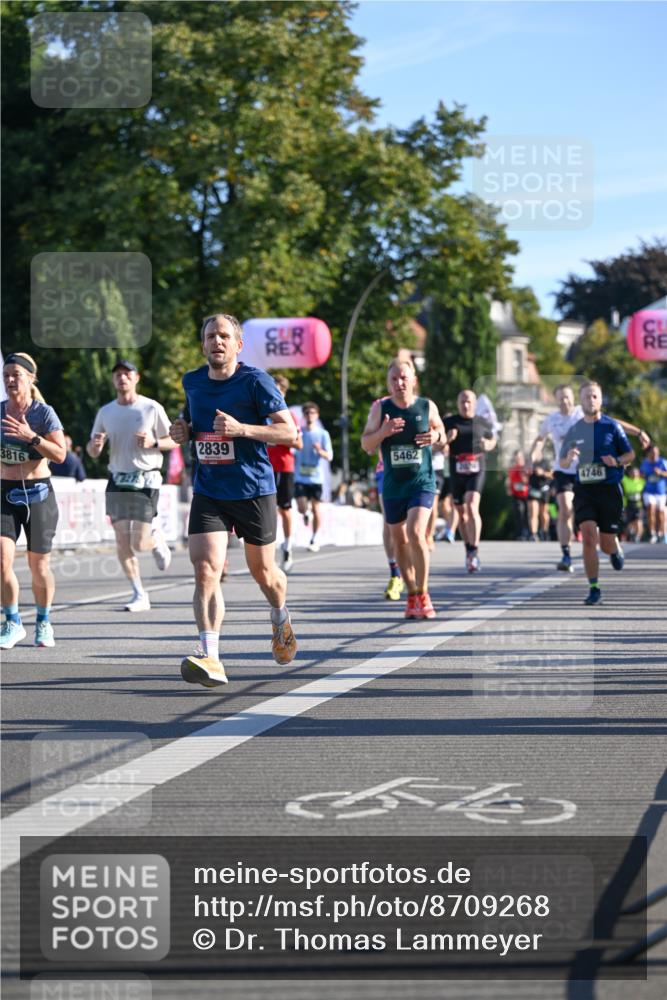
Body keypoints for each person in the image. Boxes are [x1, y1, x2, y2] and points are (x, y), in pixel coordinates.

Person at [170, 312, 298, 688]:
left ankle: (279, 615)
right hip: (210, 489)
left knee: (265, 575)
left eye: (224, 336)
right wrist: (184, 431)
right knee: (206, 568)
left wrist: (242, 429)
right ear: (203, 343)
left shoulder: (256, 381)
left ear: (238, 345)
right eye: (210, 336)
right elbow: (193, 423)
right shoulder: (192, 381)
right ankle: (210, 656)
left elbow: (288, 432)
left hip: (253, 488)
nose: (217, 342)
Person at [529, 384, 650, 572]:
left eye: (567, 397)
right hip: (564, 469)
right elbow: (540, 439)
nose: (564, 401)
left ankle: (612, 542)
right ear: (556, 400)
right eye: (560, 398)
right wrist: (532, 456)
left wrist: (638, 432)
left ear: (573, 399)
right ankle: (567, 553)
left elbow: (614, 423)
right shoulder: (551, 420)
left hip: (588, 473)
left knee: (603, 531)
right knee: (565, 508)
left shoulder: (582, 412)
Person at [87, 360, 176, 612]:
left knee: (139, 543)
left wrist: (154, 442)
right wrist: (96, 446)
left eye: (126, 374)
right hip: (117, 478)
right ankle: (139, 593)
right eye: (117, 374)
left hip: (146, 478)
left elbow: (174, 441)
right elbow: (94, 451)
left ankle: (156, 539)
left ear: (136, 378)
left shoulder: (150, 408)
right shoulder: (105, 412)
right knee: (121, 541)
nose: (122, 378)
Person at [361, 357, 444, 619]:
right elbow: (366, 444)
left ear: (414, 380)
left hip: (422, 481)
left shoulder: (426, 406)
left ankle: (424, 592)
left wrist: (436, 436)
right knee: (399, 540)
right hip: (394, 483)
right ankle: (412, 595)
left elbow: (441, 429)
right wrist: (383, 432)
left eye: (404, 378)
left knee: (416, 532)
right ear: (388, 383)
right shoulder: (381, 409)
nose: (399, 383)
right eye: (394, 379)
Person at [1, 352, 66, 648]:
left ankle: (43, 621)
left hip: (38, 494)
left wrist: (31, 437)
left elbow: (61, 454)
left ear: (30, 378)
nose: (11, 380)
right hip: (4, 493)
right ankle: (12, 622)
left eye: (17, 374)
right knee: (2, 562)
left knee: (38, 566)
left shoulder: (43, 413)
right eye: (6, 375)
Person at [561, 381, 635, 606]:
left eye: (594, 396)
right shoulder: (574, 430)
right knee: (588, 538)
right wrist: (569, 457)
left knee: (605, 543)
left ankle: (614, 549)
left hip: (609, 490)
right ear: (579, 401)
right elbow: (563, 463)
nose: (590, 401)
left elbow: (630, 455)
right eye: (586, 397)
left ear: (600, 400)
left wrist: (617, 461)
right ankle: (594, 588)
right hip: (584, 489)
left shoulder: (612, 427)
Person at [444, 389, 497, 573]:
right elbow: (437, 446)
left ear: (474, 403)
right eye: (462, 401)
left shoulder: (482, 422)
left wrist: (488, 445)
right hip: (456, 469)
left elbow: (493, 440)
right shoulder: (449, 423)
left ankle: (474, 551)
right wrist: (446, 441)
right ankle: (469, 549)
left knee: (472, 504)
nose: (465, 405)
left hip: (476, 467)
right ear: (458, 403)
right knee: (461, 513)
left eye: (469, 401)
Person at [267, 375, 302, 573]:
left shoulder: (289, 415)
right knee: (267, 511)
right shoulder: (262, 413)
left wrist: (277, 436)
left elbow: (298, 443)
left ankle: (287, 546)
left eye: (278, 391)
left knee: (285, 509)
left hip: (284, 467)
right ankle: (269, 551)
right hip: (264, 468)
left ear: (284, 393)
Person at [294, 402, 333, 553]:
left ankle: (315, 538)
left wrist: (319, 450)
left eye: (312, 413)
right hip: (300, 477)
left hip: (316, 478)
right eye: (307, 413)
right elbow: (293, 451)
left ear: (317, 415)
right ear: (303, 416)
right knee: (301, 507)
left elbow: (329, 456)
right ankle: (306, 514)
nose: (310, 416)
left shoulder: (323, 434)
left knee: (317, 508)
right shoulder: (300, 433)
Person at [375, 453, 404, 601]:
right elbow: (368, 444)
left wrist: (437, 437)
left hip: (414, 470)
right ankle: (395, 574)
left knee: (410, 526)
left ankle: (410, 570)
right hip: (386, 470)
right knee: (388, 521)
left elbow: (440, 436)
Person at [639, 444, 667, 543]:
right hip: (649, 491)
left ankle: (661, 533)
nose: (654, 454)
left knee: (660, 513)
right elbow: (641, 475)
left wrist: (660, 473)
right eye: (652, 453)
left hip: (661, 492)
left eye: (656, 452)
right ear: (649, 453)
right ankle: (652, 533)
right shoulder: (645, 463)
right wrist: (642, 475)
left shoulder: (663, 462)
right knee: (651, 509)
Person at [506, 449, 529, 540]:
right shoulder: (512, 468)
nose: (517, 459)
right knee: (519, 513)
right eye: (516, 457)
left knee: (527, 514)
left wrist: (524, 477)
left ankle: (529, 532)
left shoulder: (526, 468)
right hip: (516, 495)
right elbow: (509, 481)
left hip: (527, 494)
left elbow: (528, 480)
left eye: (519, 457)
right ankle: (520, 533)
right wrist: (508, 489)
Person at [527, 460, 553, 541]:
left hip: (544, 490)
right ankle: (533, 534)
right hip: (533, 490)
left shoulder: (546, 462)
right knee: (533, 513)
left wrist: (542, 473)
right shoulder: (530, 462)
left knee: (544, 513)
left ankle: (544, 532)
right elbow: (524, 474)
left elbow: (552, 475)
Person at [621, 465, 645, 542]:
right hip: (628, 505)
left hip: (639, 505)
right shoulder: (626, 480)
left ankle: (638, 537)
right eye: (632, 472)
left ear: (638, 474)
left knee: (638, 520)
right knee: (629, 523)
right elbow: (620, 474)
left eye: (636, 473)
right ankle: (631, 535)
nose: (634, 474)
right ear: (629, 473)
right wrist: (623, 465)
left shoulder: (642, 482)